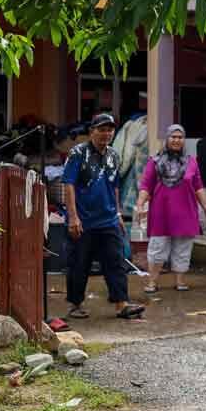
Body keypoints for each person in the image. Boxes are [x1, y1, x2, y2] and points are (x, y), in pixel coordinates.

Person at [63, 113, 145, 320]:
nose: (106, 133)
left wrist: (117, 213)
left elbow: (114, 186)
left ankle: (121, 304)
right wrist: (73, 217)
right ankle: (75, 304)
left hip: (108, 220)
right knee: (79, 264)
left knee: (116, 262)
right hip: (83, 220)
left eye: (110, 130)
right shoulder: (77, 153)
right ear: (92, 131)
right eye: (102, 129)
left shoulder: (114, 155)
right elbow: (68, 184)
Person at [135, 124, 206, 293]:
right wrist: (139, 205)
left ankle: (180, 281)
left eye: (180, 137)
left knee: (183, 249)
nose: (177, 140)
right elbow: (146, 185)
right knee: (157, 248)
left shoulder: (191, 162)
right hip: (161, 213)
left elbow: (198, 186)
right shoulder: (154, 162)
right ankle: (152, 282)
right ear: (167, 139)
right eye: (173, 137)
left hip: (186, 212)